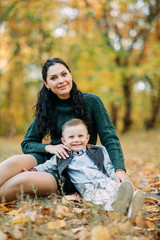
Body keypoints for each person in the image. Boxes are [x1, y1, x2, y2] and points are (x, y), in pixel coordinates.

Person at [0, 57, 128, 202]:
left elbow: (110, 138)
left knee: (21, 179)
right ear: (46, 84)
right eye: (53, 78)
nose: (61, 81)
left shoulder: (92, 102)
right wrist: (50, 148)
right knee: (13, 162)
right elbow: (27, 143)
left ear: (70, 75)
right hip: (49, 159)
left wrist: (119, 169)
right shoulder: (47, 107)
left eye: (64, 74)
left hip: (72, 170)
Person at [30, 118, 145, 221]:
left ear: (87, 137)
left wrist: (116, 176)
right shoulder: (62, 155)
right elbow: (47, 166)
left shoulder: (99, 150)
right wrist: (33, 170)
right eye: (71, 137)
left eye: (80, 136)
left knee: (117, 188)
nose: (76, 140)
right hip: (87, 188)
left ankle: (129, 201)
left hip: (104, 181)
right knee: (100, 198)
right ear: (63, 141)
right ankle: (120, 208)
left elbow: (109, 166)